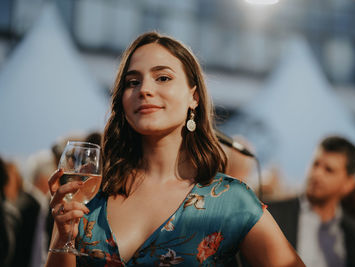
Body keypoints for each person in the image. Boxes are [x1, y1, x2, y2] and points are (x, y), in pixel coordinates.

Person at [45, 31, 305, 267]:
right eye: (132, 82)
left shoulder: (229, 201)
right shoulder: (91, 195)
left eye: (163, 78)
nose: (145, 89)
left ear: (194, 97)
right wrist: (63, 236)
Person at [266, 136, 355, 267]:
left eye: (329, 170)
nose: (317, 174)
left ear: (348, 184)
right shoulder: (271, 215)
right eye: (315, 164)